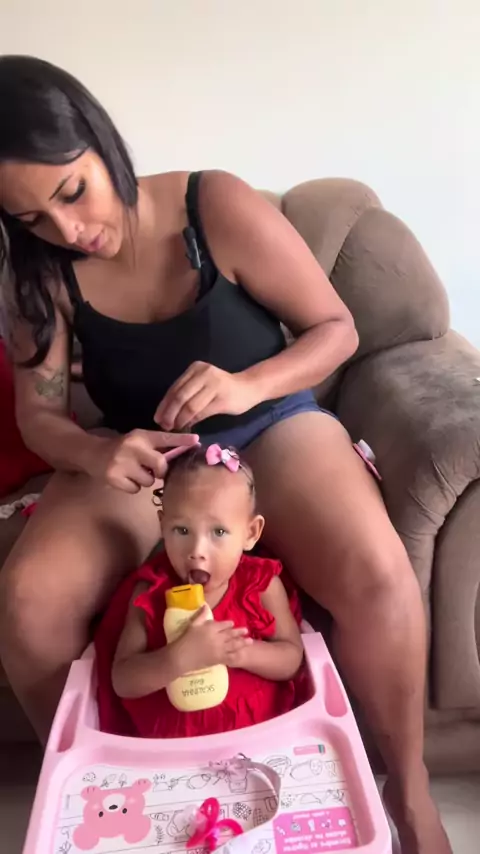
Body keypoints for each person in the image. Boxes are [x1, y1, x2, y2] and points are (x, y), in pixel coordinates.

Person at [0, 55, 450, 854]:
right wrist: (95, 452)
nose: (68, 232)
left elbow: (335, 330)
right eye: (32, 218)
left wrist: (246, 385)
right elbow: (38, 417)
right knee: (29, 601)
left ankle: (408, 795)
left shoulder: (213, 206)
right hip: (144, 456)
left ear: (101, 142)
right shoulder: (39, 276)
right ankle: (95, 788)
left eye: (72, 192)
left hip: (271, 425)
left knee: (378, 574)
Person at [98, 443, 304, 738]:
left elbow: (292, 659)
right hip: (172, 746)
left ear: (250, 533)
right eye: (182, 530)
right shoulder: (150, 593)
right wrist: (177, 659)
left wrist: (239, 652)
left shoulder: (262, 585)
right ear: (163, 526)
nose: (197, 551)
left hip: (257, 738)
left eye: (218, 532)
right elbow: (123, 680)